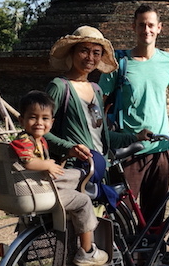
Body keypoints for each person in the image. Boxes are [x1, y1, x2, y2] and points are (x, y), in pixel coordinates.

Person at [99, 4, 169, 225]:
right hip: (129, 148)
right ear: (134, 27)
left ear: (159, 28)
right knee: (123, 213)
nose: (146, 30)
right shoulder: (119, 63)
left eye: (150, 25)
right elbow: (99, 100)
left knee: (156, 210)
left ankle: (151, 255)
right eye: (141, 25)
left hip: (161, 147)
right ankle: (125, 257)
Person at [10, 90, 108, 266]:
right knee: (83, 201)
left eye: (45, 118)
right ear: (21, 120)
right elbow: (28, 162)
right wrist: (47, 164)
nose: (39, 123)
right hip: (39, 191)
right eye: (33, 117)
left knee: (79, 174)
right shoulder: (24, 141)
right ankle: (87, 252)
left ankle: (88, 185)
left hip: (42, 186)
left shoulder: (39, 140)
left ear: (52, 122)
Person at [44, 26, 150, 168]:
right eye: (84, 51)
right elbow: (39, 131)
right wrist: (69, 148)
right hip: (74, 169)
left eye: (96, 53)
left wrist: (136, 137)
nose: (90, 58)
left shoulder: (96, 90)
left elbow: (102, 135)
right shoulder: (60, 87)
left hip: (99, 168)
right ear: (72, 52)